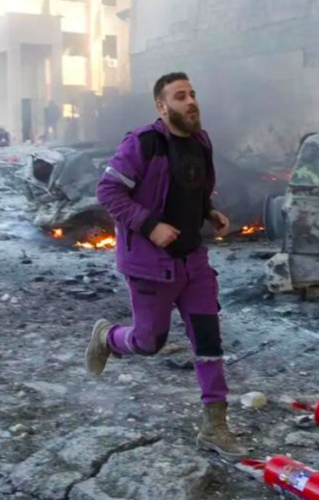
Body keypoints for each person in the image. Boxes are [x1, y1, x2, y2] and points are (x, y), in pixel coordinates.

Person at [87, 72, 248, 460]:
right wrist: (150, 225)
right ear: (162, 106)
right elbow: (108, 191)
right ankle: (107, 337)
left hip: (194, 262)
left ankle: (215, 426)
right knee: (149, 342)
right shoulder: (142, 143)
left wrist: (209, 212)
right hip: (150, 266)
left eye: (193, 94)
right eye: (180, 96)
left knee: (209, 340)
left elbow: (195, 189)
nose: (191, 101)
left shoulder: (201, 142)